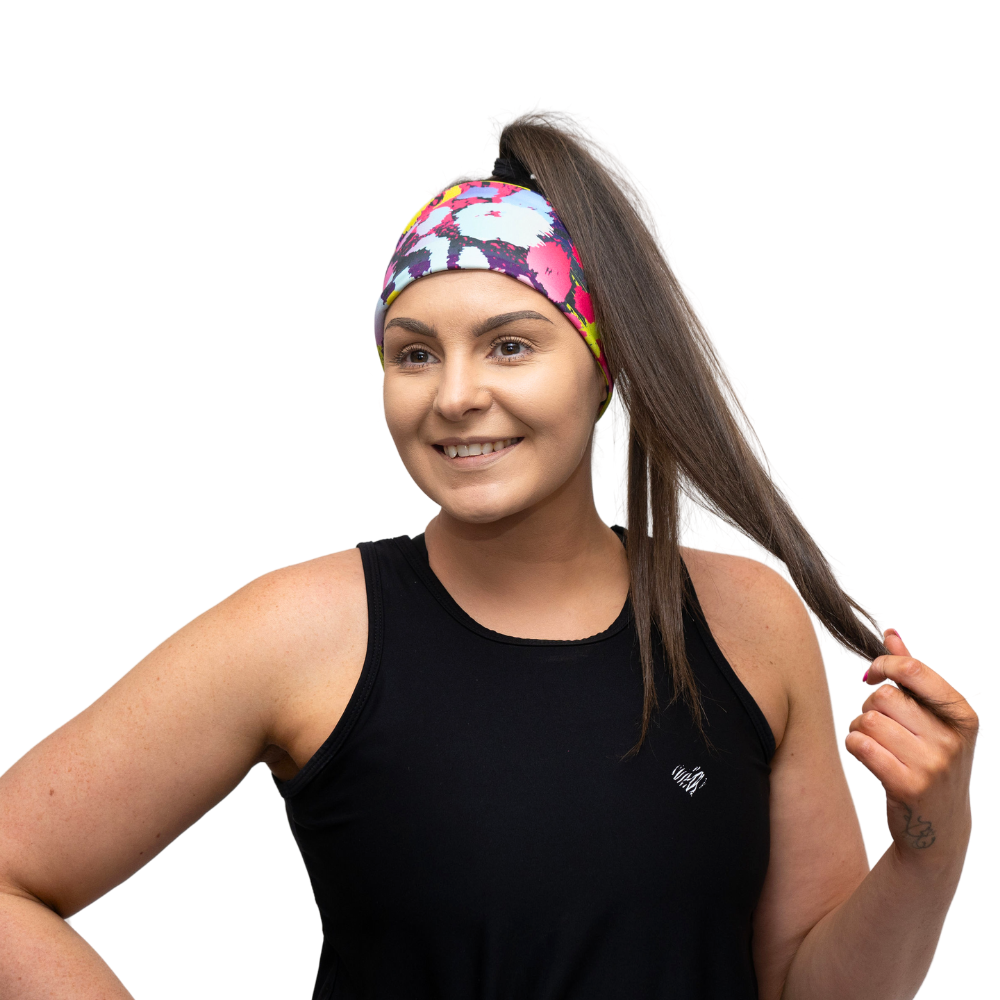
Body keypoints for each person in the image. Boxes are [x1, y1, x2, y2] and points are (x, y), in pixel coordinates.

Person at [0, 114, 978, 1000]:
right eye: (414, 352)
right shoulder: (307, 631)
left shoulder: (745, 624)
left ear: (605, 366)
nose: (454, 394)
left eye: (509, 346)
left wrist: (928, 844)